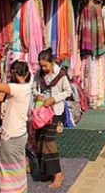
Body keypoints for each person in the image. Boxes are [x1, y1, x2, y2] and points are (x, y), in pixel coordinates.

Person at [0, 61, 32, 193]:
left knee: (7, 169)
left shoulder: (17, 88)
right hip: (18, 135)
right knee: (16, 167)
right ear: (26, 74)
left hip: (12, 136)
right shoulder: (24, 88)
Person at [32, 48, 73, 188]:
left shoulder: (60, 75)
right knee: (39, 139)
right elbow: (33, 88)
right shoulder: (39, 74)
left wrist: (54, 99)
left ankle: (58, 174)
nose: (43, 68)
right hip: (42, 112)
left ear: (52, 62)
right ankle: (46, 171)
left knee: (49, 141)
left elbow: (68, 91)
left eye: (45, 65)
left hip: (55, 112)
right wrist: (37, 94)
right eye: (41, 65)